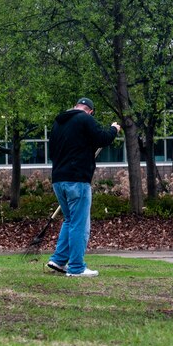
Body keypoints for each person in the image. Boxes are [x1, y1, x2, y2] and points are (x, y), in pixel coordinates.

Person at [46, 97, 120, 278]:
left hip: (58, 179)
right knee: (80, 224)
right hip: (77, 179)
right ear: (90, 111)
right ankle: (77, 267)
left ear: (76, 106)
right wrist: (114, 129)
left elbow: (53, 152)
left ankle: (58, 259)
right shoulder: (85, 119)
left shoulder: (58, 122)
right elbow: (102, 138)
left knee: (70, 220)